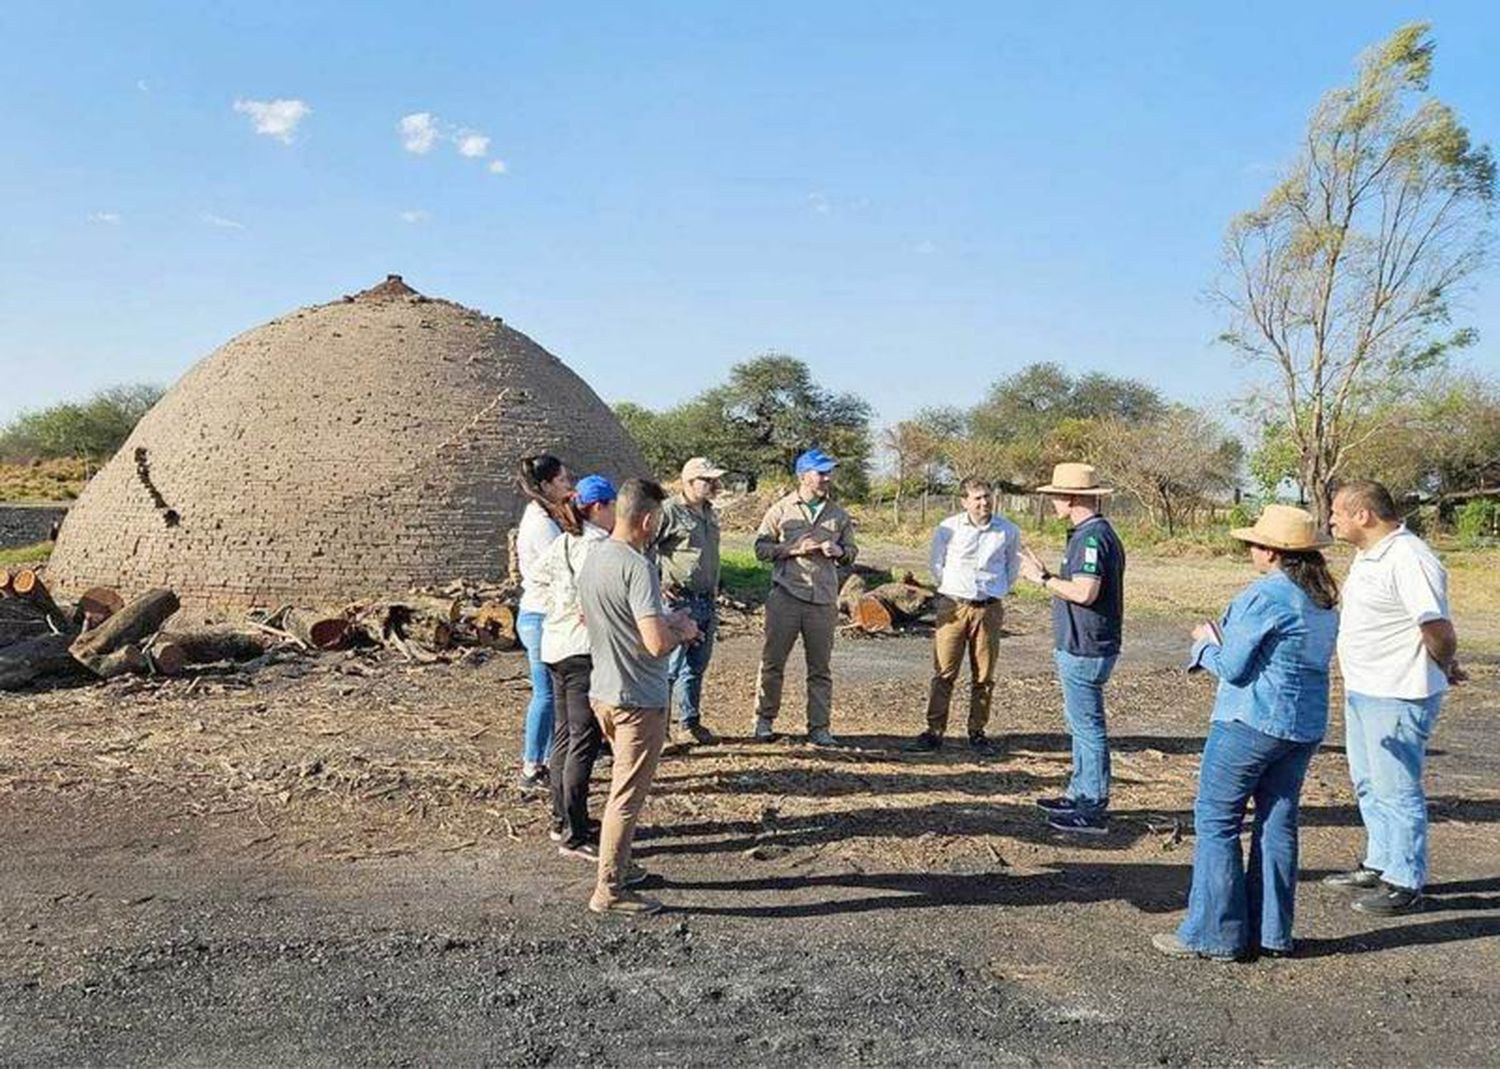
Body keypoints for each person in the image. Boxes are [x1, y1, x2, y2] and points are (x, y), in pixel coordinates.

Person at [1151, 505, 1339, 962]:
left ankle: (1213, 934)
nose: (1250, 550)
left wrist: (1203, 645)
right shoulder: (1322, 600)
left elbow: (1233, 669)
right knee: (1277, 821)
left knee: (1216, 821)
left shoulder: (1265, 596)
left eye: (1255, 543)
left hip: (1251, 721)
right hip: (1303, 725)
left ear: (1273, 552)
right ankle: (1272, 932)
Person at [1324, 480, 1465, 916]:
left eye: (1337, 513)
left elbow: (1436, 628)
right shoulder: (1370, 555)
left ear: (1363, 515)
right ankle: (1380, 861)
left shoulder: (1409, 557)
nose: (1331, 520)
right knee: (1369, 782)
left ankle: (1405, 879)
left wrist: (1444, 664)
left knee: (1397, 786)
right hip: (1365, 687)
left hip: (1398, 691)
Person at [577, 477, 700, 914]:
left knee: (621, 789)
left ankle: (622, 867)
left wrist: (662, 618)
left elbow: (591, 616)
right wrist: (681, 629)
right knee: (626, 797)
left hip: (604, 692)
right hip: (638, 699)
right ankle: (609, 889)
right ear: (647, 519)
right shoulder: (637, 565)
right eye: (657, 522)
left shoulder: (593, 557)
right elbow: (654, 643)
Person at [1019, 462, 1125, 835]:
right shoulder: (1091, 534)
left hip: (1085, 647)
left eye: (1055, 496)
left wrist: (1043, 579)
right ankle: (1079, 793)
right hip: (1085, 643)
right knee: (1081, 726)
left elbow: (1085, 591)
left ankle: (1091, 804)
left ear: (1072, 497)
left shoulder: (1090, 538)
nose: (1051, 503)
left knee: (1088, 727)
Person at [906, 477, 1022, 754]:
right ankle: (934, 730)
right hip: (954, 606)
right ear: (964, 501)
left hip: (989, 607)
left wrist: (997, 589)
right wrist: (954, 587)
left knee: (984, 673)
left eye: (986, 497)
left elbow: (1012, 565)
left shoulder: (1007, 530)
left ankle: (977, 731)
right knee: (944, 671)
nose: (983, 503)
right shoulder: (949, 528)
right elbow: (936, 563)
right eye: (977, 498)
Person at [533, 475, 617, 859]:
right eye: (613, 506)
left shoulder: (564, 541)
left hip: (556, 646)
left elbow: (536, 579)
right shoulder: (598, 546)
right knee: (584, 741)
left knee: (565, 736)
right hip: (583, 651)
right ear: (599, 507)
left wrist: (560, 606)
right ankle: (575, 833)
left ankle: (561, 818)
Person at [751, 448, 858, 747]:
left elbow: (851, 551)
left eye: (829, 472)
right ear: (803, 476)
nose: (827, 478)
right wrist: (793, 548)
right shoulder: (781, 510)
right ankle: (763, 721)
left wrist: (840, 552)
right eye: (821, 472)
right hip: (786, 596)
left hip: (823, 599)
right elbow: (760, 549)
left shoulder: (838, 514)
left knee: (820, 669)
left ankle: (819, 728)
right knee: (773, 663)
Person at [654, 456, 728, 745]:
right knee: (669, 668)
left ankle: (690, 722)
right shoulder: (669, 511)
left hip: (706, 599)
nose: (714, 485)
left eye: (715, 480)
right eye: (707, 480)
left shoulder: (710, 512)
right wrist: (658, 582)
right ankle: (661, 730)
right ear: (688, 481)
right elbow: (646, 547)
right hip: (678, 602)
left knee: (696, 666)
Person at [514, 454, 574, 792]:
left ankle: (553, 759)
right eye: (563, 480)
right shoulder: (540, 523)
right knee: (546, 694)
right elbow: (564, 566)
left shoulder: (547, 515)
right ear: (548, 484)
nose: (569, 485)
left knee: (555, 692)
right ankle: (532, 765)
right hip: (540, 616)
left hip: (549, 614)